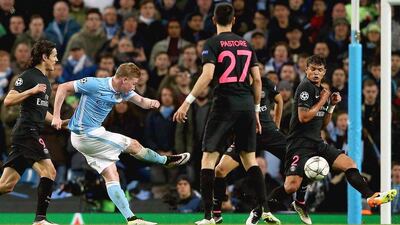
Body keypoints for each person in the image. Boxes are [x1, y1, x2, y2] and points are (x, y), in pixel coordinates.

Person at [173, 3, 277, 225]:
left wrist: (187, 101)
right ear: (234, 20)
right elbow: (257, 80)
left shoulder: (212, 43)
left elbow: (208, 75)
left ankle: (209, 216)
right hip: (247, 105)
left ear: (212, 20)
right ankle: (265, 209)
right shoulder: (247, 44)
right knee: (249, 159)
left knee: (208, 158)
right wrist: (257, 110)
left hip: (224, 104)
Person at [51, 62, 190, 225]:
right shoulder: (94, 84)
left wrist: (152, 102)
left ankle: (131, 219)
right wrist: (56, 116)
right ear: (124, 79)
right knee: (133, 145)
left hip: (90, 136)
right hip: (85, 134)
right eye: (133, 83)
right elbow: (62, 87)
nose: (134, 87)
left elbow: (141, 101)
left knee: (112, 174)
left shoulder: (124, 91)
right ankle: (165, 161)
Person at [267, 55, 397, 224]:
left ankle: (371, 196)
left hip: (317, 142)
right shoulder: (305, 88)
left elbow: (323, 123)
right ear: (306, 70)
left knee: (349, 164)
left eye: (319, 70)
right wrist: (322, 100)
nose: (315, 73)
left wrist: (331, 105)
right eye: (312, 69)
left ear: (324, 73)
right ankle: (260, 209)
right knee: (291, 186)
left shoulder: (320, 90)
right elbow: (304, 117)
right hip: (299, 144)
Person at [213, 76, 309, 224]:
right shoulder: (234, 86)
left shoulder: (265, 82)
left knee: (300, 158)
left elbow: (279, 100)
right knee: (220, 170)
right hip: (246, 136)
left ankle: (295, 201)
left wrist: (276, 124)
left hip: (269, 133)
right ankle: (217, 214)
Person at [0, 40, 67, 225]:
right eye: (53, 55)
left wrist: (57, 120)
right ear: (44, 57)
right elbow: (9, 100)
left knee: (6, 185)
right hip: (26, 131)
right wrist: (31, 91)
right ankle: (40, 220)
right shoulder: (29, 76)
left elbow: (41, 110)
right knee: (49, 171)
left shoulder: (45, 80)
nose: (56, 59)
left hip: (28, 132)